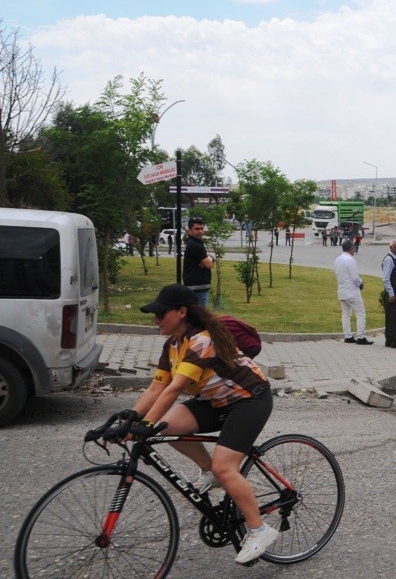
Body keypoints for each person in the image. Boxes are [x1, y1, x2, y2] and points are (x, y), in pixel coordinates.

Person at [132, 284, 276, 564]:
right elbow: (155, 389)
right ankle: (208, 470)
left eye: (161, 314)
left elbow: (173, 389)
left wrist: (144, 426)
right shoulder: (172, 345)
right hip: (218, 401)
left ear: (182, 312)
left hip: (250, 400)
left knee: (226, 468)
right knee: (165, 426)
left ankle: (260, 529)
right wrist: (131, 419)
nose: (156, 320)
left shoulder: (201, 341)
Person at [334, 239, 373, 345]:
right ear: (351, 248)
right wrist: (361, 284)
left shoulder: (337, 259)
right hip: (351, 291)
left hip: (342, 290)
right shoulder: (350, 260)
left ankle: (348, 335)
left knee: (345, 314)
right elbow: (355, 277)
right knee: (360, 312)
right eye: (354, 248)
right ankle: (361, 336)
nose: (354, 250)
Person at [183, 218, 214, 307]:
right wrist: (210, 258)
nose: (200, 231)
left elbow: (207, 260)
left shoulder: (194, 242)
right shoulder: (195, 245)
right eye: (196, 229)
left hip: (194, 284)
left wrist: (209, 258)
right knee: (200, 316)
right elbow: (209, 265)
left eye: (201, 228)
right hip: (198, 286)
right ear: (189, 230)